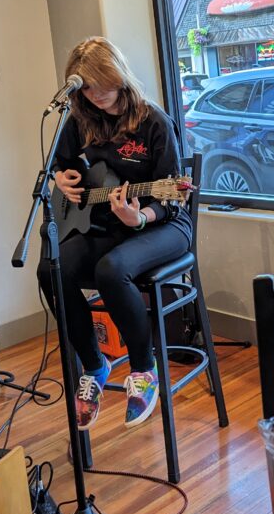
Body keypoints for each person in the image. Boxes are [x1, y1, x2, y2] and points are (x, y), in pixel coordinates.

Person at [37, 37, 192, 432]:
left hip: (163, 224)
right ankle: (95, 365)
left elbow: (172, 197)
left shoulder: (153, 121)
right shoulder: (81, 118)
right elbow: (62, 160)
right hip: (104, 224)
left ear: (119, 74)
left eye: (102, 82)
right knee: (51, 268)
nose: (97, 94)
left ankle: (144, 368)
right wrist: (61, 176)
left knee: (111, 270)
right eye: (86, 87)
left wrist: (139, 218)